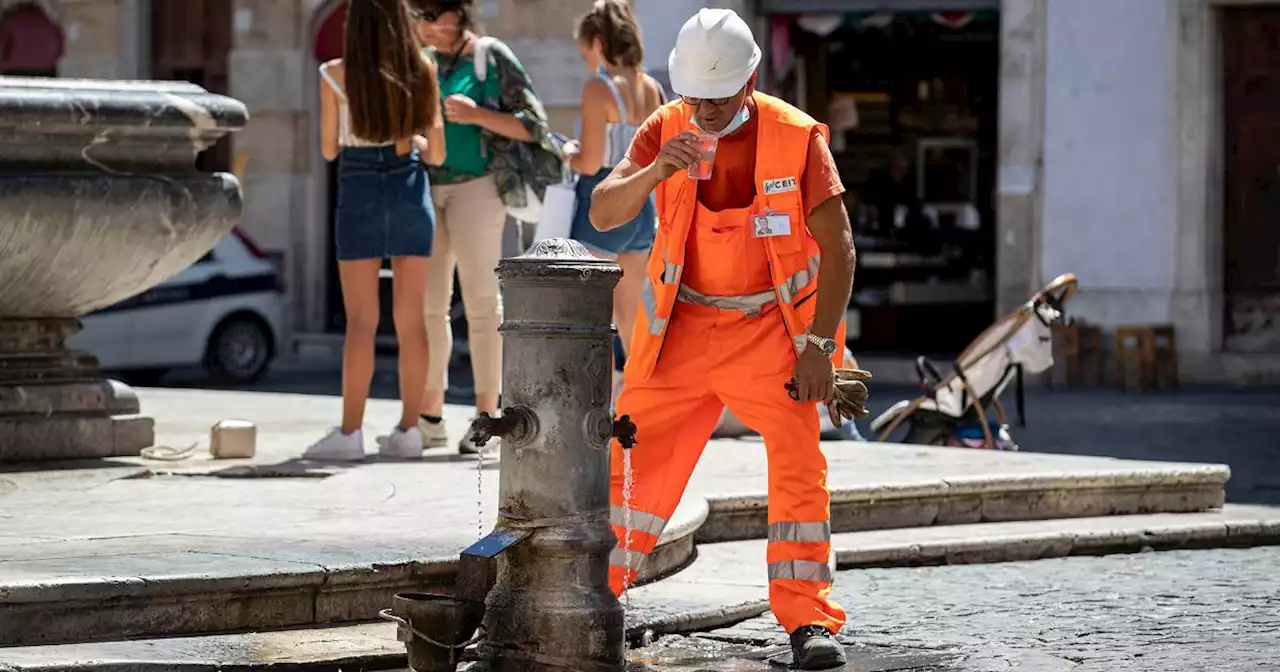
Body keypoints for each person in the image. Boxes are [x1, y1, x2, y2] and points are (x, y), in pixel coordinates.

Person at [590, 8, 856, 669]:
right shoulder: (668, 125)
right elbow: (602, 211)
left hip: (771, 333)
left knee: (799, 469)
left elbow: (840, 247)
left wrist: (820, 347)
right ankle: (591, 600)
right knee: (628, 467)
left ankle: (809, 621)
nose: (704, 111)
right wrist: (656, 172)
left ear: (750, 81)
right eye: (693, 96)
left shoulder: (797, 139)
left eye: (718, 97)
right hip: (679, 332)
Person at [410, 0, 556, 455]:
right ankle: (429, 416)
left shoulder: (490, 56)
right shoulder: (421, 62)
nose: (428, 27)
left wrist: (476, 115)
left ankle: (486, 421)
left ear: (460, 14)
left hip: (480, 188)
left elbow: (535, 127)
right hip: (428, 187)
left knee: (480, 305)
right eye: (420, 18)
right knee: (429, 306)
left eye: (435, 16)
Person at [304, 0, 445, 462]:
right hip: (409, 187)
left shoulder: (333, 74)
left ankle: (350, 433)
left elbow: (328, 149)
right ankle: (408, 431)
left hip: (359, 188)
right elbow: (437, 153)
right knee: (412, 320)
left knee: (362, 322)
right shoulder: (422, 69)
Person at [564, 0, 665, 374]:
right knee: (632, 319)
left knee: (594, 317)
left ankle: (599, 409)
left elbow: (590, 162)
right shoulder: (652, 87)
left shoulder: (598, 87)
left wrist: (565, 154)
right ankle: (642, 406)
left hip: (603, 206)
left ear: (598, 43)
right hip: (642, 208)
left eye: (585, 49)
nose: (584, 56)